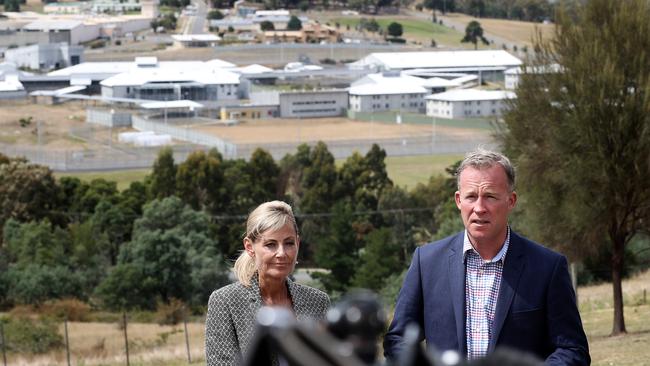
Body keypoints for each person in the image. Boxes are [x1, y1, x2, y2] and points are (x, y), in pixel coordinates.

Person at [384, 149, 590, 365]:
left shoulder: (548, 267)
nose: (479, 208)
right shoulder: (426, 263)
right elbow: (398, 340)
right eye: (471, 196)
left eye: (490, 196)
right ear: (458, 200)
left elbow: (571, 349)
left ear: (511, 201)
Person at [205, 200, 330, 366]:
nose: (282, 253)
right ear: (250, 247)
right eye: (271, 244)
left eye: (289, 243)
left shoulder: (318, 302)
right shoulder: (225, 301)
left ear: (298, 244)